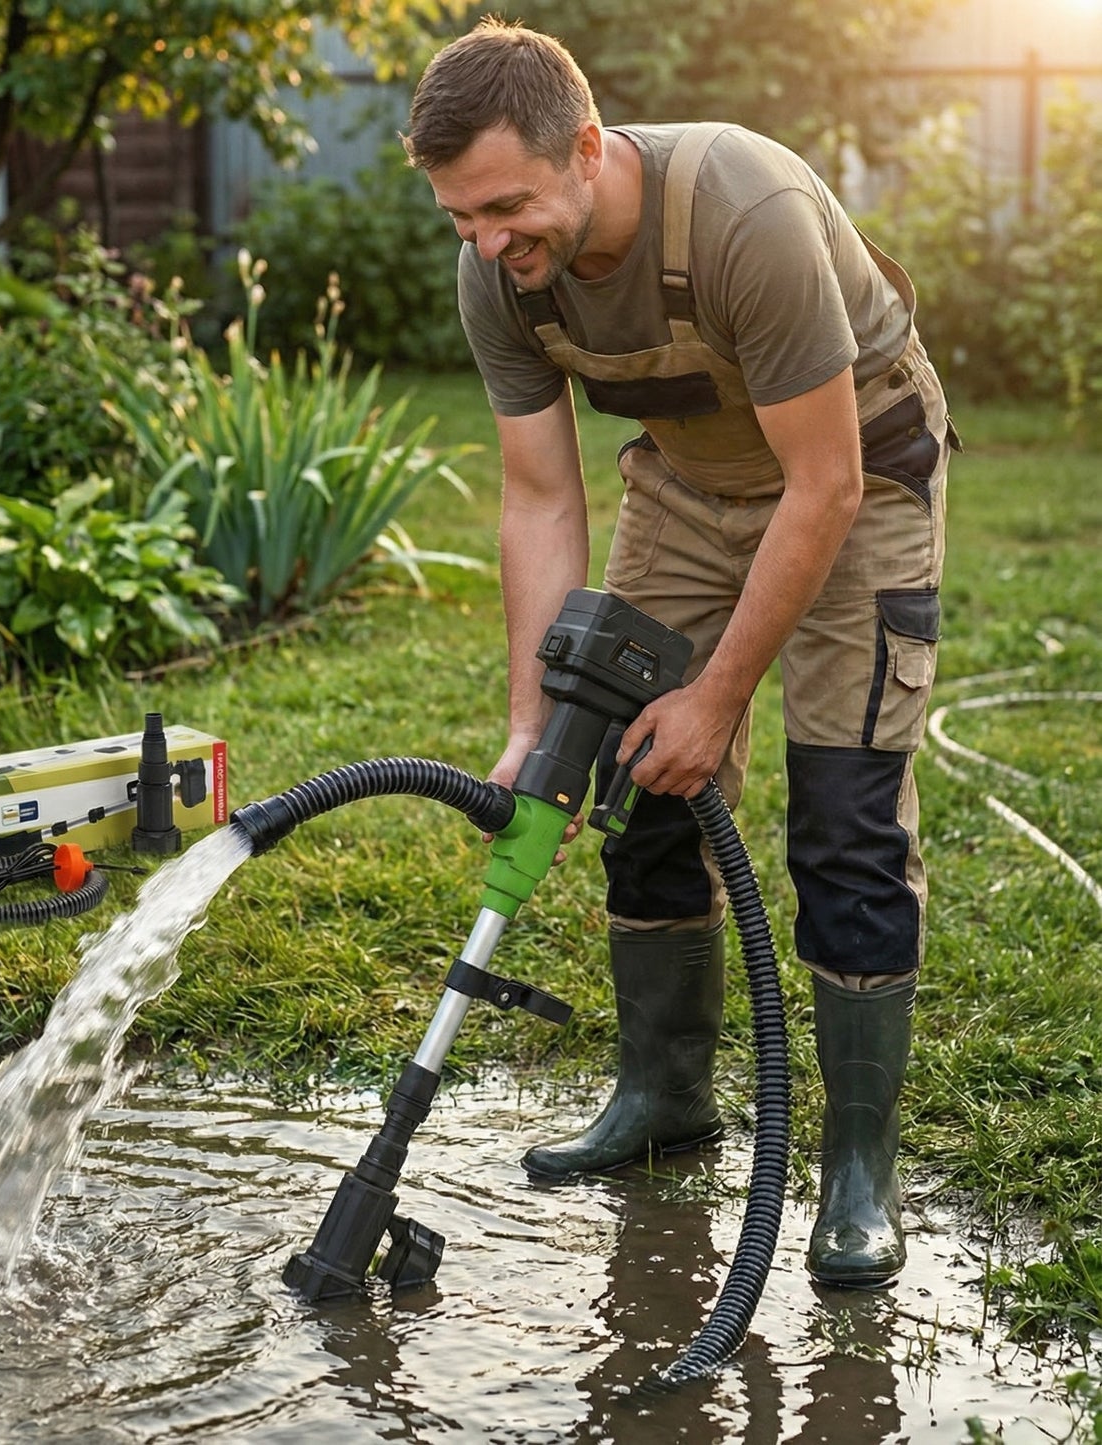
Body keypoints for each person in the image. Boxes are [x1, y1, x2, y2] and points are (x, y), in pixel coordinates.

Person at [403, 17, 956, 1288]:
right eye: (456, 218)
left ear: (587, 149)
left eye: (503, 206)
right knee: (633, 783)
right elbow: (540, 499)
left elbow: (822, 483)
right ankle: (663, 1097)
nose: (486, 242)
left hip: (855, 481)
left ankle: (857, 1175)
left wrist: (714, 693)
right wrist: (535, 714)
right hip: (691, 493)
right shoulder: (497, 273)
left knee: (846, 810)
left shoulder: (738, 209)